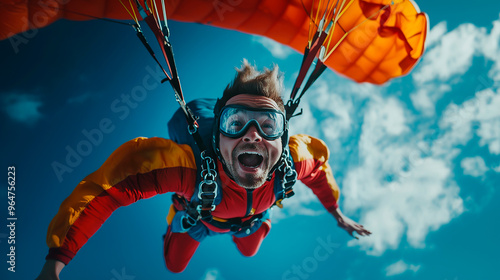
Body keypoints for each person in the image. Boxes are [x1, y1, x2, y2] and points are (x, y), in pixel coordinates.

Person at [35, 60, 371, 279]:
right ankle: (183, 218)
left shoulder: (293, 161)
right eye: (235, 123)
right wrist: (58, 259)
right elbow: (105, 190)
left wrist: (336, 211)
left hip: (250, 220)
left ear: (283, 139)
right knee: (175, 266)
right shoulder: (186, 167)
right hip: (197, 218)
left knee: (250, 251)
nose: (252, 134)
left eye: (268, 126)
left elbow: (320, 172)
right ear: (218, 136)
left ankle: (256, 219)